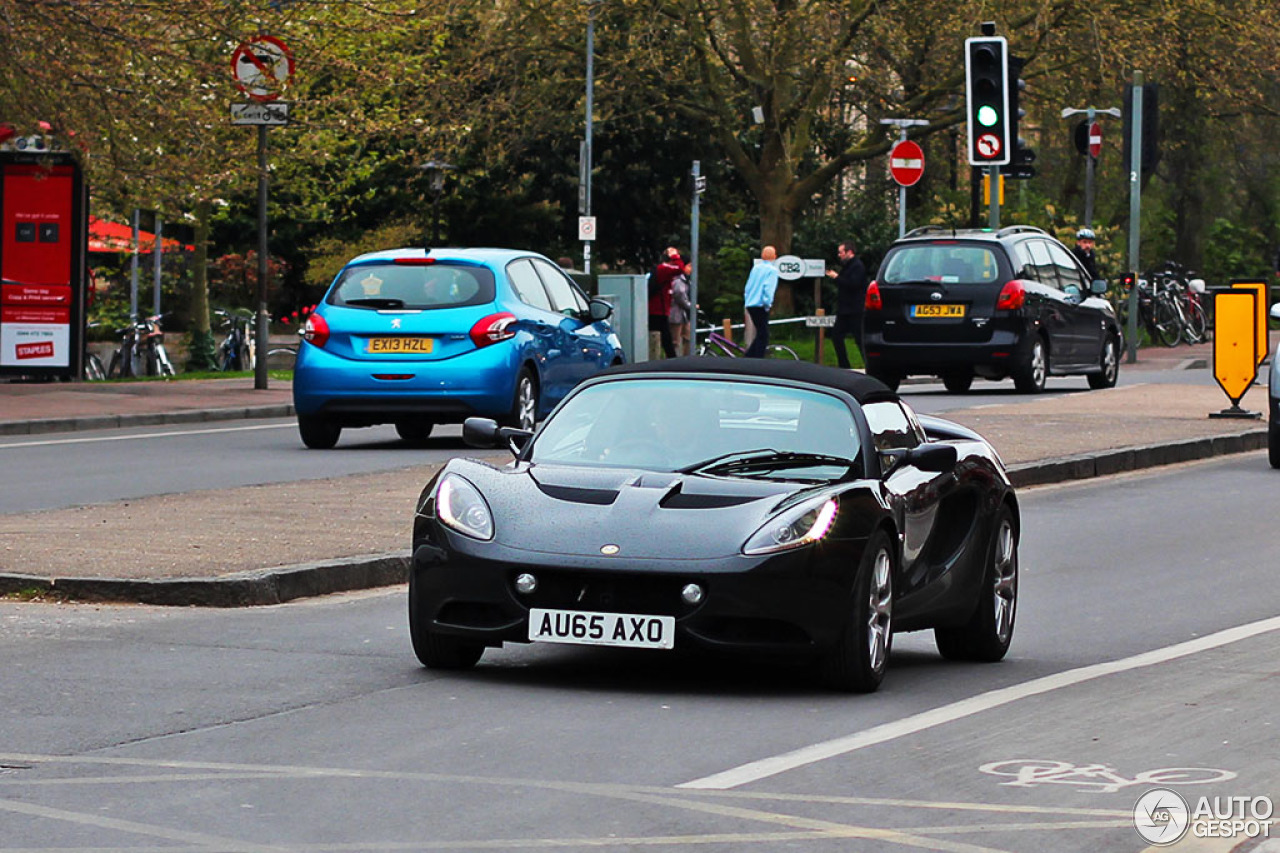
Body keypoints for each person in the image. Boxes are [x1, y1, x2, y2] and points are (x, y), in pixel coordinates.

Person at [825, 240, 868, 369]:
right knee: (836, 336)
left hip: (855, 310)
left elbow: (853, 284)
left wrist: (836, 277)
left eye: (841, 252)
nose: (839, 255)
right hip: (845, 310)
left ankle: (869, 365)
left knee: (859, 339)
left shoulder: (857, 266)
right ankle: (844, 365)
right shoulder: (848, 266)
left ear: (849, 252)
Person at [743, 245, 779, 358]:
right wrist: (768, 304)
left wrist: (747, 300)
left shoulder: (756, 268)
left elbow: (748, 287)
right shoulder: (772, 271)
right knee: (763, 335)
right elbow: (768, 289)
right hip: (760, 305)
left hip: (750, 304)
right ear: (774, 257)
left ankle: (749, 357)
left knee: (761, 333)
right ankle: (757, 359)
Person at [648, 247, 681, 358]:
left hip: (660, 310)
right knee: (665, 339)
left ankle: (670, 359)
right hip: (658, 311)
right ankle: (671, 361)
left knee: (665, 340)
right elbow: (679, 268)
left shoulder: (662, 269)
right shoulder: (664, 268)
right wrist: (675, 256)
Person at [668, 260, 693, 356]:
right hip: (676, 315)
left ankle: (687, 358)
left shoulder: (687, 280)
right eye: (689, 266)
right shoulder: (678, 280)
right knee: (676, 341)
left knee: (688, 338)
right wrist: (690, 305)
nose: (691, 269)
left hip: (684, 316)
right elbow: (680, 295)